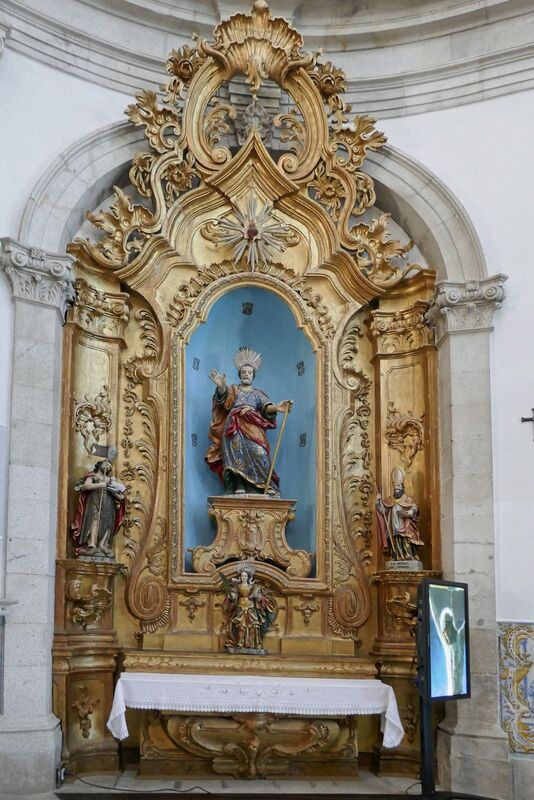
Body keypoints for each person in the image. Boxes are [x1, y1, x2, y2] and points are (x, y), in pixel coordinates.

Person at [205, 347, 292, 495]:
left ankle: (265, 484)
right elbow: (223, 400)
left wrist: (278, 408)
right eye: (244, 372)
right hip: (234, 427)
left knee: (260, 453)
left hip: (253, 427)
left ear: (253, 376)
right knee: (236, 454)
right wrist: (221, 387)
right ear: (240, 374)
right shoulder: (233, 390)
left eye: (249, 372)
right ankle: (239, 484)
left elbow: (266, 407)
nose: (246, 374)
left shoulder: (258, 394)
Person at [71, 459, 126, 558]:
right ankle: (92, 542)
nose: (107, 466)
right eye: (105, 464)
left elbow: (118, 492)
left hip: (108, 502)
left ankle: (102, 544)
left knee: (108, 522)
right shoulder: (93, 476)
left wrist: (119, 495)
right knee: (94, 519)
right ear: (99, 465)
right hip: (95, 499)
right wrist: (99, 485)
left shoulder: (110, 479)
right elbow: (86, 486)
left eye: (109, 465)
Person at [222, 563, 277, 652]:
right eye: (242, 576)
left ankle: (253, 644)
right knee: (241, 627)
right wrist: (232, 596)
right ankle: (240, 643)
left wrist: (257, 597)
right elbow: (234, 594)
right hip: (240, 608)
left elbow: (259, 596)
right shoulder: (237, 586)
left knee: (254, 627)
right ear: (240, 577)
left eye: (245, 576)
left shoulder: (253, 586)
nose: (243, 577)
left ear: (248, 577)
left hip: (251, 608)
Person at [376, 466, 424, 561]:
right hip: (394, 526)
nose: (396, 488)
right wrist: (378, 501)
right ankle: (398, 557)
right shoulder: (390, 500)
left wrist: (411, 511)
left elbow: (415, 507)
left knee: (406, 541)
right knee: (396, 542)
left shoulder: (407, 499)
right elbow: (383, 511)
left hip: (405, 526)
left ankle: (409, 556)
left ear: (402, 487)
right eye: (394, 486)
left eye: (398, 486)